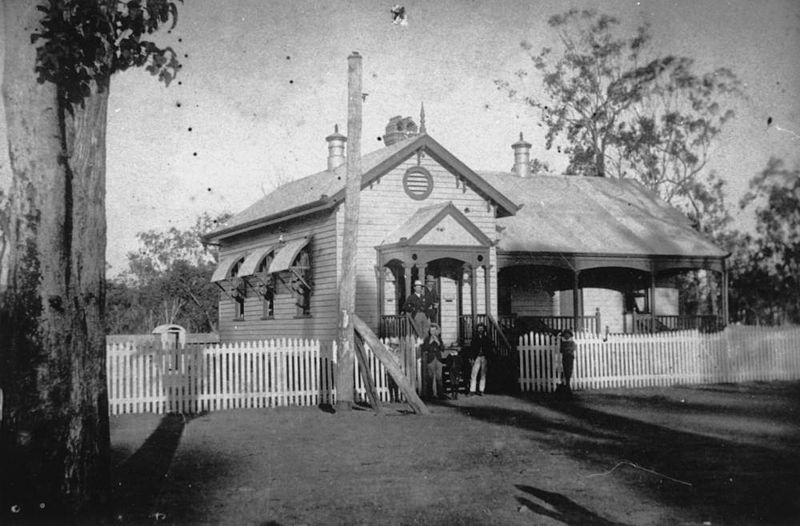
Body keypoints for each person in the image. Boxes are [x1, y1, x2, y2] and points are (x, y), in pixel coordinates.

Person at [421, 323, 447, 400]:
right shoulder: (427, 339)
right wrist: (429, 342)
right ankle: (430, 395)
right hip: (431, 359)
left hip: (438, 359)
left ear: (436, 331)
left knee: (439, 377)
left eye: (434, 331)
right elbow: (424, 348)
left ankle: (440, 394)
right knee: (430, 377)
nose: (433, 332)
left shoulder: (439, 338)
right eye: (431, 330)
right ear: (429, 331)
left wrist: (438, 343)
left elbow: (443, 349)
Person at [468, 323, 493, 396]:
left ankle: (481, 390)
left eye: (482, 328)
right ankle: (472, 390)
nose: (480, 330)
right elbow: (472, 349)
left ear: (484, 329)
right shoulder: (474, 339)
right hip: (477, 357)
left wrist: (488, 358)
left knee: (483, 374)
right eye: (479, 328)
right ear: (477, 330)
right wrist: (471, 358)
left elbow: (489, 350)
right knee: (474, 374)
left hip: (484, 357)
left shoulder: (487, 339)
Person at [559, 329, 576, 394]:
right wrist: (568, 349)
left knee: (569, 371)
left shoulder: (572, 343)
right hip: (565, 358)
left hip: (570, 358)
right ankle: (567, 385)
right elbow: (561, 350)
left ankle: (568, 384)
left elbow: (573, 348)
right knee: (566, 371)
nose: (566, 336)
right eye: (565, 335)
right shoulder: (563, 343)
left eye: (568, 335)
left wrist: (567, 349)